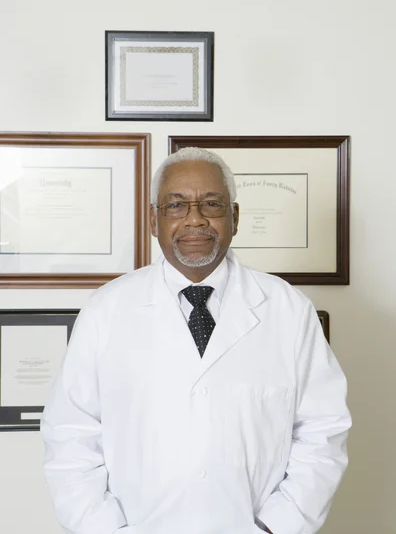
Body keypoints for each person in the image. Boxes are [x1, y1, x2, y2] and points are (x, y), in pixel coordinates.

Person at [41, 147, 351, 534]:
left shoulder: (288, 309)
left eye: (211, 204)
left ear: (234, 218)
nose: (195, 220)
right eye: (176, 205)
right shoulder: (106, 310)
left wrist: (277, 527)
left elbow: (323, 431)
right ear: (154, 221)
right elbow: (70, 433)